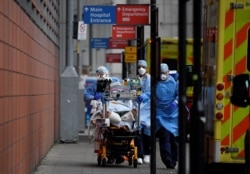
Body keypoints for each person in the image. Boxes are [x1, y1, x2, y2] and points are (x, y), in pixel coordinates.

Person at [155, 63, 179, 169]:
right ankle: (167, 159)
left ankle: (174, 159)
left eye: (164, 73)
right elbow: (149, 93)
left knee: (173, 138)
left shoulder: (175, 82)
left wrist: (176, 102)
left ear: (168, 72)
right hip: (161, 114)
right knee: (164, 137)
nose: (163, 75)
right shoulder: (155, 83)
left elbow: (180, 94)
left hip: (173, 114)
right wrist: (142, 96)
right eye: (161, 73)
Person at [134, 60, 151, 164]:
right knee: (138, 132)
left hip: (148, 108)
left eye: (143, 66)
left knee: (147, 133)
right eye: (139, 66)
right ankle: (139, 154)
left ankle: (147, 154)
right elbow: (131, 91)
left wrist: (145, 96)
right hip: (137, 107)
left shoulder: (150, 79)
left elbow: (152, 91)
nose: (141, 68)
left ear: (146, 68)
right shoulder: (134, 79)